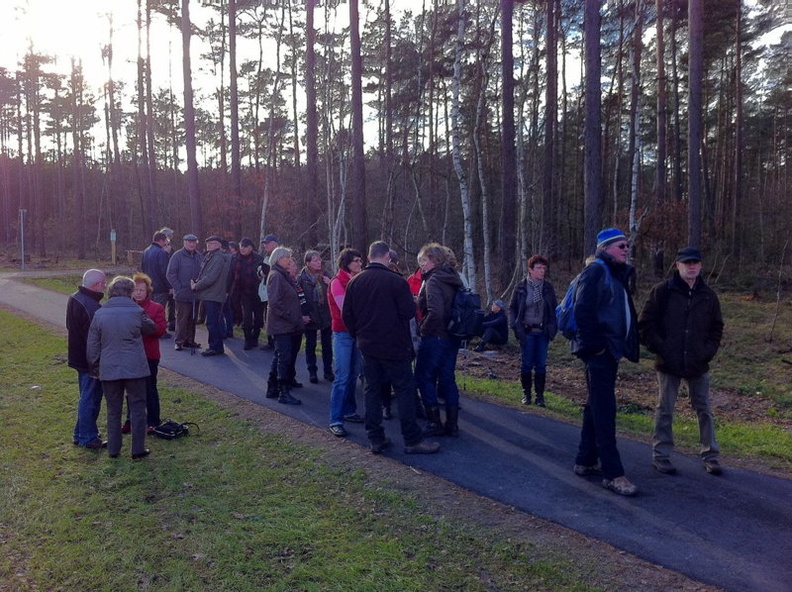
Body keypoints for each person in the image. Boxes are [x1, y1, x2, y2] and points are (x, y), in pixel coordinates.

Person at [343, 240, 441, 455]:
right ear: (387, 257)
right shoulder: (396, 282)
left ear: (369, 257)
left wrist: (359, 335)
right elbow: (408, 313)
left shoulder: (355, 282)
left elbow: (347, 316)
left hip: (368, 346)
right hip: (395, 346)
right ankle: (412, 439)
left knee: (372, 390)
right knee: (405, 390)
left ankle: (375, 438)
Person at [638, 246, 725, 476]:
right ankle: (661, 455)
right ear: (677, 265)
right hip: (668, 362)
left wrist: (706, 352)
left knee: (704, 409)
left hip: (698, 362)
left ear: (701, 265)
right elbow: (645, 325)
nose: (691, 266)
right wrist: (663, 348)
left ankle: (711, 455)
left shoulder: (708, 295)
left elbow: (717, 328)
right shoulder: (662, 291)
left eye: (695, 262)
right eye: (687, 263)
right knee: (665, 409)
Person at [571, 228, 640, 497]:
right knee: (605, 410)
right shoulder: (596, 271)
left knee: (595, 405)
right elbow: (582, 311)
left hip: (609, 352)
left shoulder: (614, 273)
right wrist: (597, 348)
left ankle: (585, 460)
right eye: (621, 246)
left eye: (627, 245)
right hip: (599, 352)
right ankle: (613, 474)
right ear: (606, 247)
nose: (626, 249)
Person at [86, 276, 157, 460]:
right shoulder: (137, 311)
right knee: (138, 408)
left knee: (113, 409)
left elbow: (92, 346)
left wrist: (95, 367)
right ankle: (138, 449)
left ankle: (114, 450)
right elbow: (151, 329)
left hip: (109, 368)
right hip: (135, 368)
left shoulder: (100, 314)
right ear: (130, 292)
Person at [414, 242, 464, 437]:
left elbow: (435, 312)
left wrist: (422, 331)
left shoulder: (434, 280)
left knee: (423, 377)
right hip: (452, 336)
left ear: (434, 261)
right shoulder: (453, 277)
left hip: (436, 336)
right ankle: (452, 425)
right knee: (447, 378)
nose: (421, 265)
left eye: (424, 261)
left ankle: (435, 423)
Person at [508, 255, 558, 406]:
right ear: (530, 270)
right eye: (539, 268)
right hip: (527, 331)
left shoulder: (548, 288)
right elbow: (512, 308)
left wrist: (553, 328)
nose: (542, 271)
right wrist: (515, 326)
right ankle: (527, 394)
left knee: (541, 365)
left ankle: (540, 396)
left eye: (544, 268)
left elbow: (554, 310)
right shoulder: (521, 287)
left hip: (542, 332)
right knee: (527, 364)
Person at [66, 269, 107, 450]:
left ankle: (80, 433)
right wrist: (96, 366)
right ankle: (88, 438)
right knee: (91, 399)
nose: (105, 286)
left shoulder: (74, 297)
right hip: (89, 361)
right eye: (104, 283)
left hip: (78, 357)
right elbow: (95, 340)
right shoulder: (92, 307)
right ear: (96, 285)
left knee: (86, 397)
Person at [326, 248, 365, 436]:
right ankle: (336, 419)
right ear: (346, 263)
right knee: (342, 376)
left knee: (353, 374)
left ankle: (349, 410)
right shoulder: (336, 283)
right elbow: (345, 310)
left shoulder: (358, 280)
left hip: (357, 334)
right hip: (342, 334)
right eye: (355, 260)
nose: (359, 263)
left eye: (360, 260)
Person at [127, 273, 168, 432]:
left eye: (141, 290)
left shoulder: (156, 307)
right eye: (135, 290)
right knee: (131, 389)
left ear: (147, 291)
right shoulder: (126, 307)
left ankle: (153, 421)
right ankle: (130, 420)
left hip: (149, 354)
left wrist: (144, 325)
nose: (138, 293)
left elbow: (160, 330)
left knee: (150, 388)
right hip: (130, 354)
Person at [264, 246, 306, 405]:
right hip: (281, 325)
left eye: (289, 257)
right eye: (286, 257)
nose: (289, 260)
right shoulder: (276, 276)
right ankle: (283, 392)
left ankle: (272, 387)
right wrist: (290, 317)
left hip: (288, 324)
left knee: (279, 356)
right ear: (278, 259)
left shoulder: (284, 275)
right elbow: (275, 302)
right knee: (284, 358)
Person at [191, 235, 232, 356]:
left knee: (212, 322)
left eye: (213, 243)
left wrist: (196, 286)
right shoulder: (211, 256)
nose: (209, 245)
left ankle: (215, 347)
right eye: (208, 243)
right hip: (212, 293)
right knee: (215, 321)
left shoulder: (218, 258)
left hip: (213, 294)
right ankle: (217, 345)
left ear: (219, 245)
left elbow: (211, 277)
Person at [298, 250, 334, 383]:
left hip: (325, 314)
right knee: (311, 344)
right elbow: (299, 298)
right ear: (308, 263)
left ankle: (328, 370)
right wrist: (303, 314)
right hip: (310, 314)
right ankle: (312, 371)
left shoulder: (326, 275)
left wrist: (329, 282)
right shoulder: (302, 278)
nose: (319, 263)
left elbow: (334, 292)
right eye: (315, 260)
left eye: (319, 260)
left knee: (327, 344)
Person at [166, 233, 203, 351]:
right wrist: (179, 287)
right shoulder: (177, 256)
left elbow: (203, 272)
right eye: (189, 242)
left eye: (194, 242)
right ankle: (179, 341)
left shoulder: (199, 256)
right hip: (182, 294)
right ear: (184, 243)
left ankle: (190, 340)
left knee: (193, 319)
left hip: (196, 294)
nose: (192, 244)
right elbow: (170, 274)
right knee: (182, 319)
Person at [231, 237, 265, 350]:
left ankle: (255, 337)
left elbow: (264, 275)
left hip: (257, 292)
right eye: (241, 246)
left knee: (259, 317)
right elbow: (230, 275)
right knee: (247, 317)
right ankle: (247, 339)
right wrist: (228, 290)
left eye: (245, 246)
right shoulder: (235, 258)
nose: (243, 248)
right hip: (243, 292)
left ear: (250, 247)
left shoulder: (259, 258)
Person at [141, 231, 171, 313]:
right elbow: (164, 271)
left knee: (148, 310)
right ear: (161, 240)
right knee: (158, 311)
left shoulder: (145, 251)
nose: (165, 243)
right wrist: (169, 286)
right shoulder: (161, 252)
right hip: (160, 288)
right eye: (165, 241)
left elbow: (142, 269)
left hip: (149, 286)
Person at [159, 227, 177, 332]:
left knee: (172, 304)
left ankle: (172, 323)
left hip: (171, 281)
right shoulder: (160, 250)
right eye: (169, 236)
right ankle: (162, 324)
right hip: (163, 283)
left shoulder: (171, 249)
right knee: (161, 305)